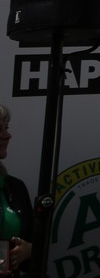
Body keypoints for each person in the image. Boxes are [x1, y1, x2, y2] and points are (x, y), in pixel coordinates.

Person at [0, 105, 33, 276]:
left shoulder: (16, 187)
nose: (7, 135)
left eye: (6, 128)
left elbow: (34, 240)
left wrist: (28, 250)